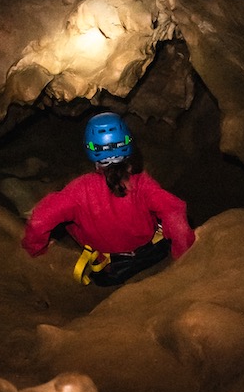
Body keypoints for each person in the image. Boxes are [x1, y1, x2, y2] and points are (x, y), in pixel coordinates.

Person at [21, 111, 195, 286]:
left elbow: (40, 219)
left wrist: (36, 248)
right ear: (128, 144)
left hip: (111, 268)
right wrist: (182, 256)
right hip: (152, 253)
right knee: (159, 211)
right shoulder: (142, 183)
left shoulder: (79, 191)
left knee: (68, 218)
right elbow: (174, 210)